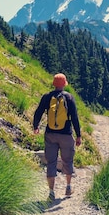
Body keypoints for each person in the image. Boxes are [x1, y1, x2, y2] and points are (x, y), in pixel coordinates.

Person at [33, 73, 82, 203]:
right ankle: (68, 187)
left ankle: (51, 192)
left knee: (51, 162)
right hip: (66, 134)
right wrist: (78, 135)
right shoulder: (69, 98)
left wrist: (36, 126)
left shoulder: (47, 97)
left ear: (54, 84)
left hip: (50, 134)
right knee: (67, 160)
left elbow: (38, 112)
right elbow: (75, 118)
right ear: (64, 84)